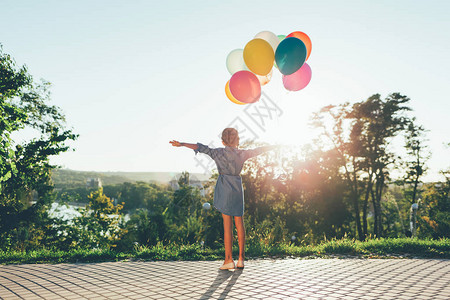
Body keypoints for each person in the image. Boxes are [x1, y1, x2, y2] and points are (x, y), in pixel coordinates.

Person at [170, 128, 277, 270]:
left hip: (225, 187)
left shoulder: (218, 153)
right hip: (237, 187)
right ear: (237, 140)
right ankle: (241, 259)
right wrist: (275, 146)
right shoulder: (242, 154)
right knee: (239, 222)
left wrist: (182, 144)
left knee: (227, 224)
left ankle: (228, 260)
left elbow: (201, 148)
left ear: (222, 141)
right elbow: (258, 150)